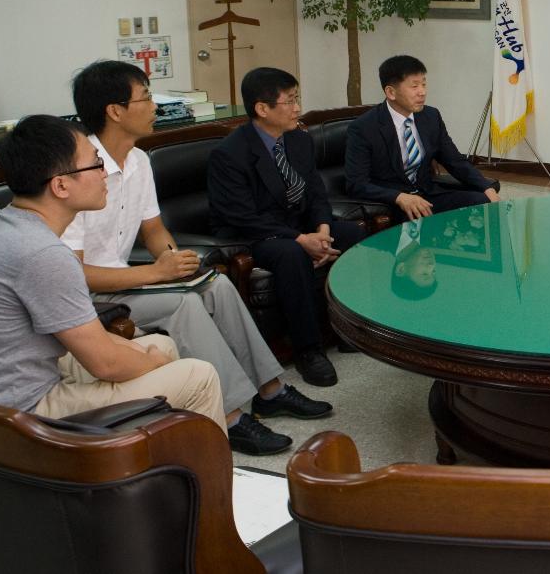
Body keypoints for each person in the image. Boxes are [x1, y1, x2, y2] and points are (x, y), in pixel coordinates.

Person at [63, 60, 332, 456]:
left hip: (130, 279)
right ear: (115, 111)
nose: (156, 106)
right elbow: (72, 275)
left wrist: (176, 264)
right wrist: (156, 274)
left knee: (216, 286)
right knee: (184, 306)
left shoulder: (138, 161)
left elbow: (153, 230)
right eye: (147, 97)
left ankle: (271, 391)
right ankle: (231, 416)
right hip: (91, 300)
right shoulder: (79, 171)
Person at [0, 115, 226, 430]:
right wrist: (154, 362)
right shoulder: (43, 253)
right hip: (19, 412)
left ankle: (152, 464)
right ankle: (207, 476)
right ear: (60, 185)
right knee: (199, 377)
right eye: (95, 164)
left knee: (162, 347)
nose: (104, 174)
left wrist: (153, 357)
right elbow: (105, 363)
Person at [208, 67, 366, 388]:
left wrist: (321, 229)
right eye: (289, 101)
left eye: (297, 99)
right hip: (253, 235)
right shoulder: (229, 154)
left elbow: (316, 192)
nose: (297, 108)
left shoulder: (298, 140)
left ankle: (348, 328)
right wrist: (300, 238)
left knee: (354, 235)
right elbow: (242, 217)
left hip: (298, 225)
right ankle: (308, 350)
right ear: (262, 109)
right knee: (291, 253)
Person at [345, 55, 498, 222]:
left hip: (428, 194)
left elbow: (455, 161)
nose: (422, 92)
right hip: (394, 203)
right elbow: (356, 184)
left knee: (482, 202)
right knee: (417, 227)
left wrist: (486, 187)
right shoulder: (364, 128)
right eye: (414, 86)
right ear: (390, 92)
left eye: (424, 84)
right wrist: (399, 197)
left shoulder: (430, 116)